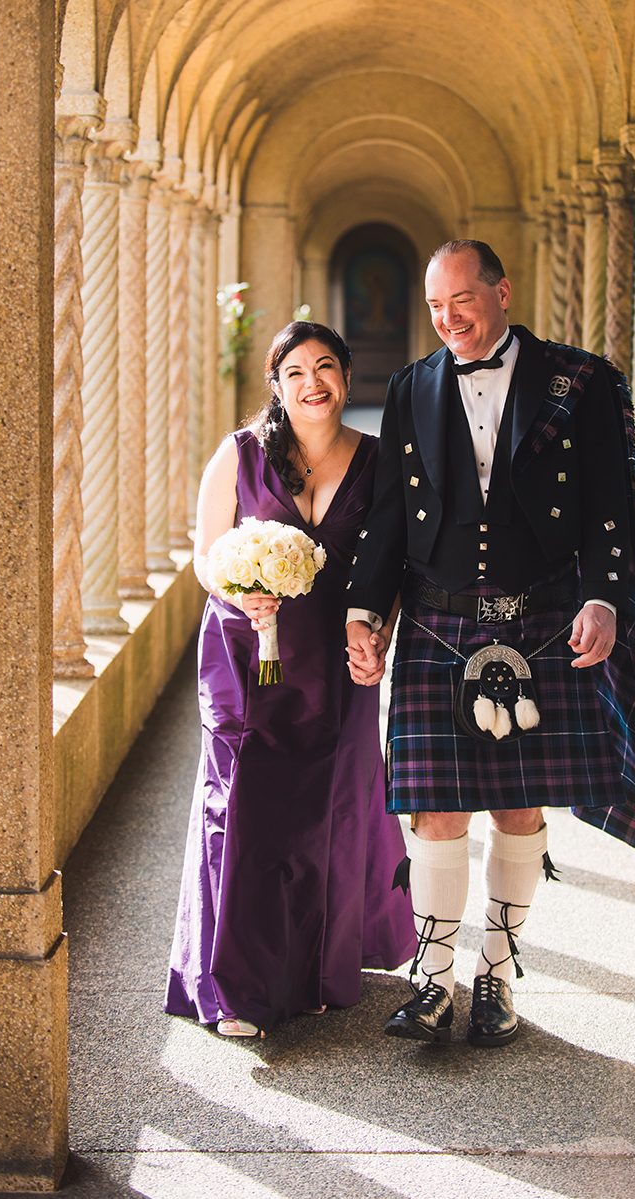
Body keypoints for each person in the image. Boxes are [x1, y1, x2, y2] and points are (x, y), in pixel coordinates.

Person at [346, 240, 635, 1048]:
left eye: (461, 299)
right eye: (434, 306)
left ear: (502, 291)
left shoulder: (581, 380)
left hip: (542, 613)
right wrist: (366, 610)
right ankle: (432, 980)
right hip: (438, 616)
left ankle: (495, 973)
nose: (447, 318)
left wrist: (602, 596)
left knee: (519, 802)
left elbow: (612, 503)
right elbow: (389, 513)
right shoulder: (410, 387)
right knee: (433, 808)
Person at [165, 321, 417, 1038]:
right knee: (242, 806)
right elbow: (204, 556)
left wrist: (381, 635)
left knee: (326, 812)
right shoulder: (239, 455)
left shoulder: (375, 461)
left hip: (336, 666)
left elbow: (391, 567)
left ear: (347, 375)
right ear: (275, 385)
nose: (314, 383)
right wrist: (239, 593)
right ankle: (235, 987)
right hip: (246, 658)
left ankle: (310, 970)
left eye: (327, 367)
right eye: (297, 371)